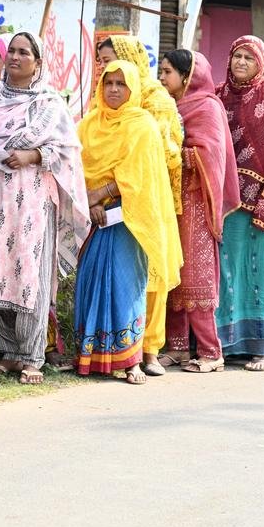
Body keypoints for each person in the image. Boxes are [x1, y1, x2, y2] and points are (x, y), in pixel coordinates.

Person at [0, 32, 89, 385]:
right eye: (12, 51)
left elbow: (68, 149)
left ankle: (32, 354)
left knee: (29, 269)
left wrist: (34, 154)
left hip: (34, 198)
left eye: (24, 52)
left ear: (38, 63)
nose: (14, 57)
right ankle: (8, 350)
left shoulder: (49, 104)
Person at [74, 61, 181, 384]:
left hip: (129, 217)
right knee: (91, 281)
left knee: (125, 285)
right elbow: (76, 166)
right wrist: (88, 199)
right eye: (109, 83)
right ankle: (91, 355)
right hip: (91, 216)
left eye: (122, 83)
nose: (115, 89)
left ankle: (131, 360)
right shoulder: (88, 125)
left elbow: (139, 174)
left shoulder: (142, 124)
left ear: (133, 88)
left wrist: (101, 194)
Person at [216, 36, 264, 371]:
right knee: (224, 269)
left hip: (259, 201)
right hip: (224, 200)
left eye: (249, 57)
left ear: (260, 63)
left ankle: (261, 347)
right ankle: (224, 343)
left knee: (257, 270)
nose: (241, 62)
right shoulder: (218, 96)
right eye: (237, 55)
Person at [156, 50, 238, 373]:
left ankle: (210, 351)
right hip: (171, 199)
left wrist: (174, 151)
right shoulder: (167, 107)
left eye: (167, 72)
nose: (161, 79)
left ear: (186, 76)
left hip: (195, 202)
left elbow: (211, 156)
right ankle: (177, 348)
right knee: (172, 273)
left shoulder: (207, 107)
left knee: (195, 276)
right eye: (160, 72)